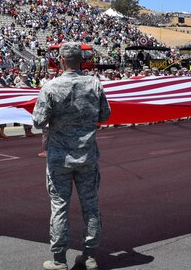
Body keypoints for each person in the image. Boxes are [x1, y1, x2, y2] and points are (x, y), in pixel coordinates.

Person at [32, 42, 111, 270]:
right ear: (81, 60)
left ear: (62, 60)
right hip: (87, 156)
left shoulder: (51, 87)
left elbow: (38, 121)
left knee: (59, 207)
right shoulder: (94, 84)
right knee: (91, 206)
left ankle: (58, 260)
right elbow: (105, 115)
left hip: (59, 157)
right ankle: (89, 256)